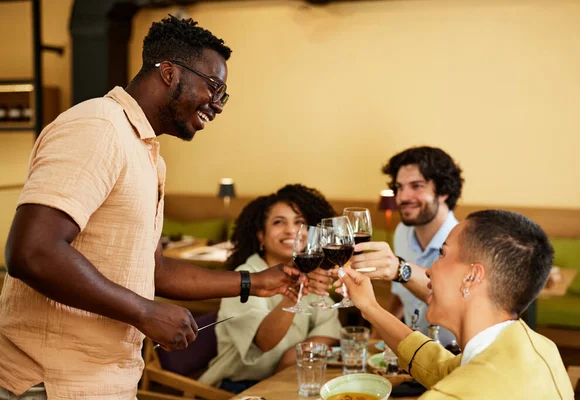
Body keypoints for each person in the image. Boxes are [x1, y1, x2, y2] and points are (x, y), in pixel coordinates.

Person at [0, 16, 302, 400]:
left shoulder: (148, 155)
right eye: (214, 87)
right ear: (169, 73)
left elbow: (155, 270)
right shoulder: (97, 127)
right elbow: (32, 251)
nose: (218, 105)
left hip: (105, 380)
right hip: (51, 383)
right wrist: (144, 311)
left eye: (224, 95)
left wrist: (256, 283)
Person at [339, 210, 574, 399]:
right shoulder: (542, 348)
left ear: (472, 277)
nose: (429, 270)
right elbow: (439, 366)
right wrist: (369, 306)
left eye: (442, 254)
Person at [199, 184, 342, 393]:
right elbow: (262, 342)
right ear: (261, 236)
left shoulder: (306, 271)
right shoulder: (245, 276)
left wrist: (294, 356)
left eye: (299, 222)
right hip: (240, 388)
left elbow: (328, 327)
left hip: (290, 378)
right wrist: (295, 293)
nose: (291, 230)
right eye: (278, 222)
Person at [350, 146, 463, 345]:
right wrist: (376, 338)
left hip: (455, 357)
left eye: (416, 186)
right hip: (414, 354)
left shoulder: (464, 242)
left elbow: (451, 301)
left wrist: (400, 268)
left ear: (444, 191)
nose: (402, 197)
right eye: (399, 187)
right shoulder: (403, 231)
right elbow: (401, 295)